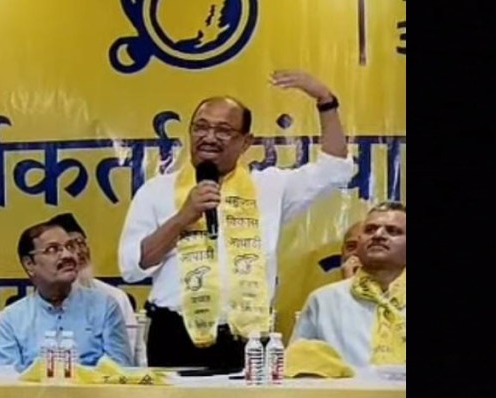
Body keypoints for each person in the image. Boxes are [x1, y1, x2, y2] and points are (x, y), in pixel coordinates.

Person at [118, 70, 356, 370]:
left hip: (248, 338)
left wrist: (325, 100)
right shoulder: (156, 191)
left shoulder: (269, 187)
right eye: (201, 127)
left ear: (246, 142)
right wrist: (183, 218)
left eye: (223, 130)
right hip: (175, 335)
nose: (209, 137)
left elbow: (335, 168)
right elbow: (132, 267)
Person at [0, 220, 133, 371]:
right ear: (29, 264)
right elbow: (6, 379)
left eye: (70, 246)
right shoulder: (10, 320)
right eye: (52, 249)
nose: (67, 255)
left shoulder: (104, 307)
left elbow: (120, 371)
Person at [292, 202, 406, 367]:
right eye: (370, 230)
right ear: (359, 243)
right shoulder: (324, 301)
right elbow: (297, 366)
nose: (378, 235)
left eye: (393, 231)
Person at [48, 212, 144, 365]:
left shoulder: (115, 298)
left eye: (81, 243)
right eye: (70, 246)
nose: (79, 252)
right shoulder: (40, 303)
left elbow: (129, 356)